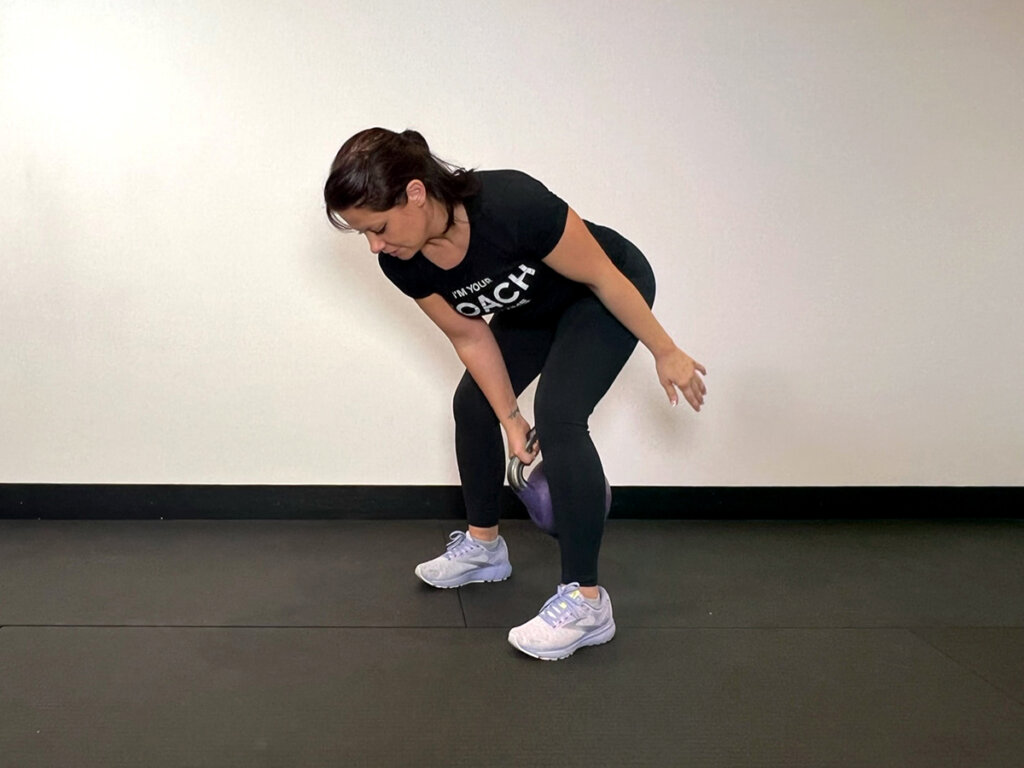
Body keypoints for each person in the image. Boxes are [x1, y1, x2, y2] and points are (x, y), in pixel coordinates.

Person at [323, 127, 706, 661]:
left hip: (605, 289)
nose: (375, 245)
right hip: (536, 309)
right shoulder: (402, 261)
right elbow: (469, 334)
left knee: (560, 411)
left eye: (379, 228)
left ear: (415, 193)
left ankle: (586, 601)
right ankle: (485, 548)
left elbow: (602, 275)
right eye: (365, 234)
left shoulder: (510, 203)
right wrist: (509, 419)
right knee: (472, 405)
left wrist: (665, 349)